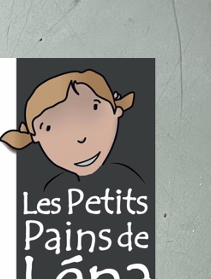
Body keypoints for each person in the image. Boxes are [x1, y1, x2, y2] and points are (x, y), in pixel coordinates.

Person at [1, 71, 143, 193]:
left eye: (94, 109)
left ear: (116, 111)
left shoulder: (131, 179)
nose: (81, 138)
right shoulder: (51, 189)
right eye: (49, 128)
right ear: (35, 137)